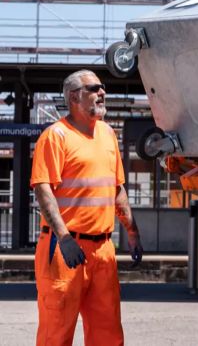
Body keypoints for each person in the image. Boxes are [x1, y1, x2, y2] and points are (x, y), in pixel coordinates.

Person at [31, 69, 143, 346]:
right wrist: (64, 237)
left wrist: (132, 232)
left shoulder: (107, 134)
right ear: (74, 97)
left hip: (103, 251)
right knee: (56, 333)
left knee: (108, 334)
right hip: (64, 248)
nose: (102, 92)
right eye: (94, 88)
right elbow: (43, 189)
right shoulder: (55, 136)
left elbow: (116, 189)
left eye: (102, 87)